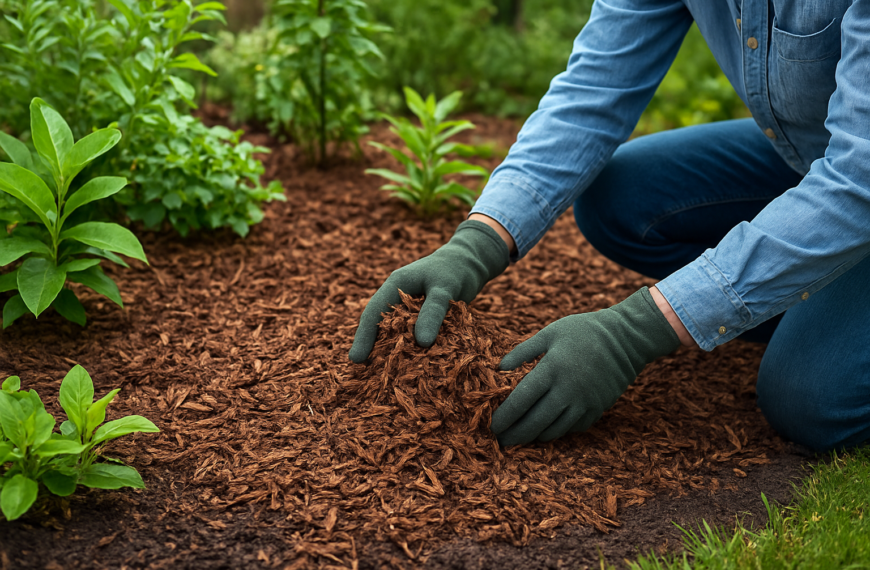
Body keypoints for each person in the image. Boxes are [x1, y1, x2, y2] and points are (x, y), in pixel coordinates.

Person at [350, 0, 870, 452]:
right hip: (817, 155)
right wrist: (477, 242)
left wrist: (637, 331)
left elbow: (858, 179)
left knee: (810, 400)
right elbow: (592, 89)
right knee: (623, 199)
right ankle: (811, 302)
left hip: (857, 171)